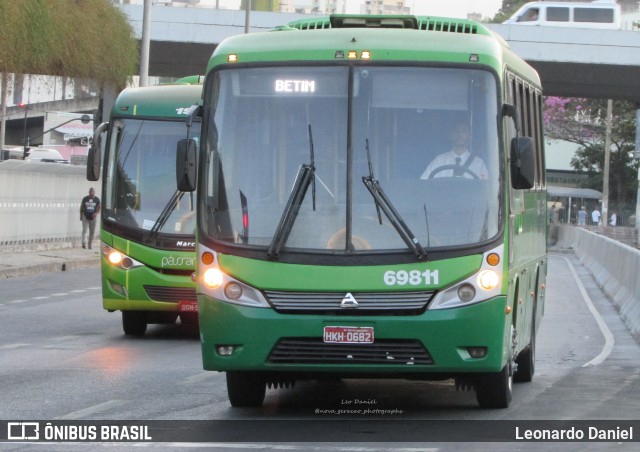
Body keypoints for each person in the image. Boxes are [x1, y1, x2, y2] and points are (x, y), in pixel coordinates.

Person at [420, 120, 489, 180]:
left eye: (463, 131)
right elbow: (424, 183)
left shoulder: (479, 164)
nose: (460, 134)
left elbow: (485, 189)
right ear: (451, 135)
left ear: (469, 136)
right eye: (456, 130)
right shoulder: (439, 160)